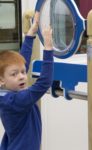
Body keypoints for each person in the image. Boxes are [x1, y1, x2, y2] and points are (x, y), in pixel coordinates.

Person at [0, 11, 53, 150]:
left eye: (23, 72)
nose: (22, 76)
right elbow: (43, 84)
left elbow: (22, 63)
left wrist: (30, 34)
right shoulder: (16, 100)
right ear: (2, 80)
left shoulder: (5, 94)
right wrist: (48, 49)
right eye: (14, 74)